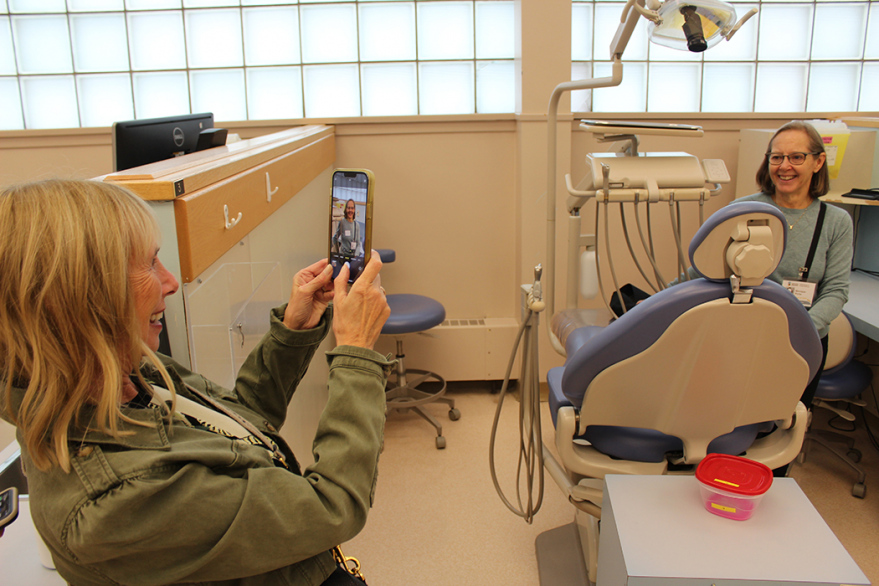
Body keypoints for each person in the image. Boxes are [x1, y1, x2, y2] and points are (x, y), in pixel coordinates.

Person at [0, 179, 392, 585]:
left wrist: (295, 329)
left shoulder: (125, 372)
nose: (170, 282)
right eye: (150, 264)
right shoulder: (116, 502)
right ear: (81, 299)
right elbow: (332, 507)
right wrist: (356, 352)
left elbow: (237, 425)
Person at [737, 121, 853, 410]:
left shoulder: (836, 222)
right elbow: (704, 270)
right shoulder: (744, 210)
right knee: (738, 420)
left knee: (788, 421)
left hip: (803, 342)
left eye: (796, 157)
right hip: (747, 335)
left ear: (818, 162)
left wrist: (800, 329)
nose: (784, 166)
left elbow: (836, 290)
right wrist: (655, 301)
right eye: (776, 157)